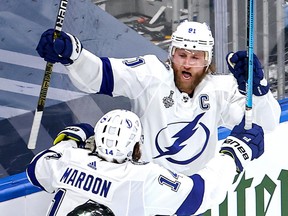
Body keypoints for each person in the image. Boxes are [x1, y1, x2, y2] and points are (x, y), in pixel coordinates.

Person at [35, 20, 280, 175]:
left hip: (193, 196)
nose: (187, 63)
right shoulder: (150, 75)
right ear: (171, 55)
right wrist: (73, 55)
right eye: (181, 55)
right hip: (147, 190)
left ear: (207, 61)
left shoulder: (221, 89)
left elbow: (266, 123)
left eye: (196, 57)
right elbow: (99, 75)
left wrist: (258, 91)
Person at [27, 109, 264, 216]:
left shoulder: (68, 161)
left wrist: (71, 138)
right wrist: (234, 152)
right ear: (136, 148)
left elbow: (35, 169)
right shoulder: (139, 178)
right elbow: (198, 196)